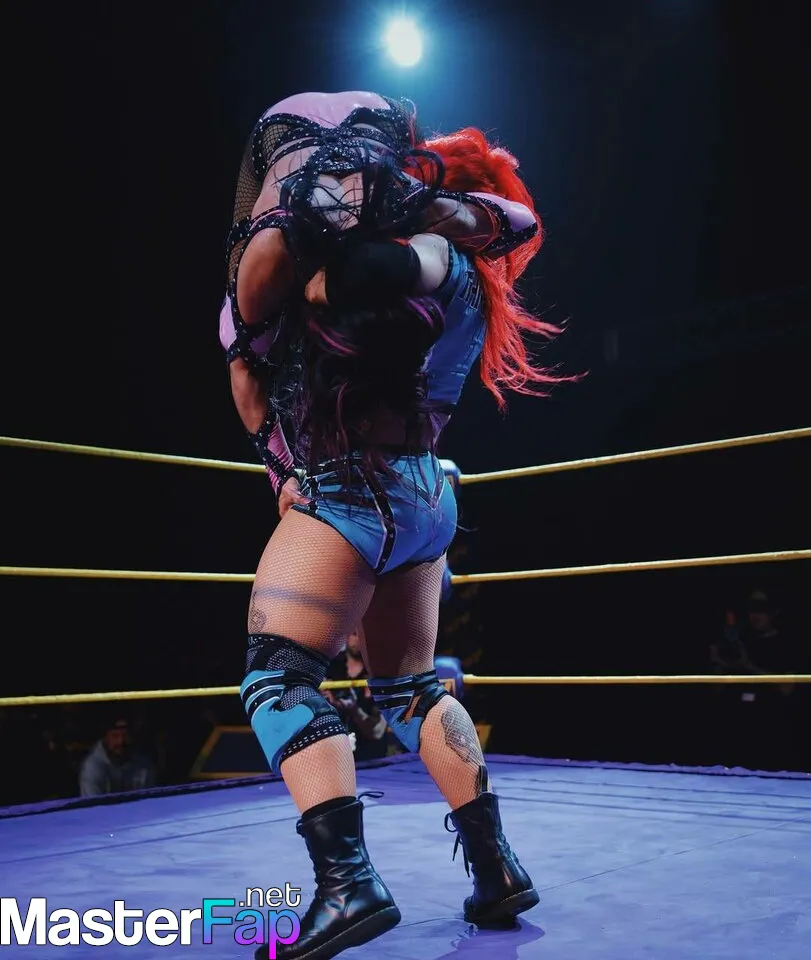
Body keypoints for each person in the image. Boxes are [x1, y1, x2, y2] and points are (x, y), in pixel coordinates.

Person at [221, 94, 568, 959]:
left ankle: (348, 886)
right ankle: (495, 868)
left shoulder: (412, 257)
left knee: (276, 677)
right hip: (424, 490)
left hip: (347, 487)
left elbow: (329, 297)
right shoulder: (467, 278)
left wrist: (316, 267)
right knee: (410, 686)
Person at [78, 718, 155, 797]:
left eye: (126, 736)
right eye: (115, 736)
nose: (121, 741)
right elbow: (93, 803)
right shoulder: (92, 767)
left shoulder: (143, 763)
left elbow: (148, 799)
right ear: (106, 738)